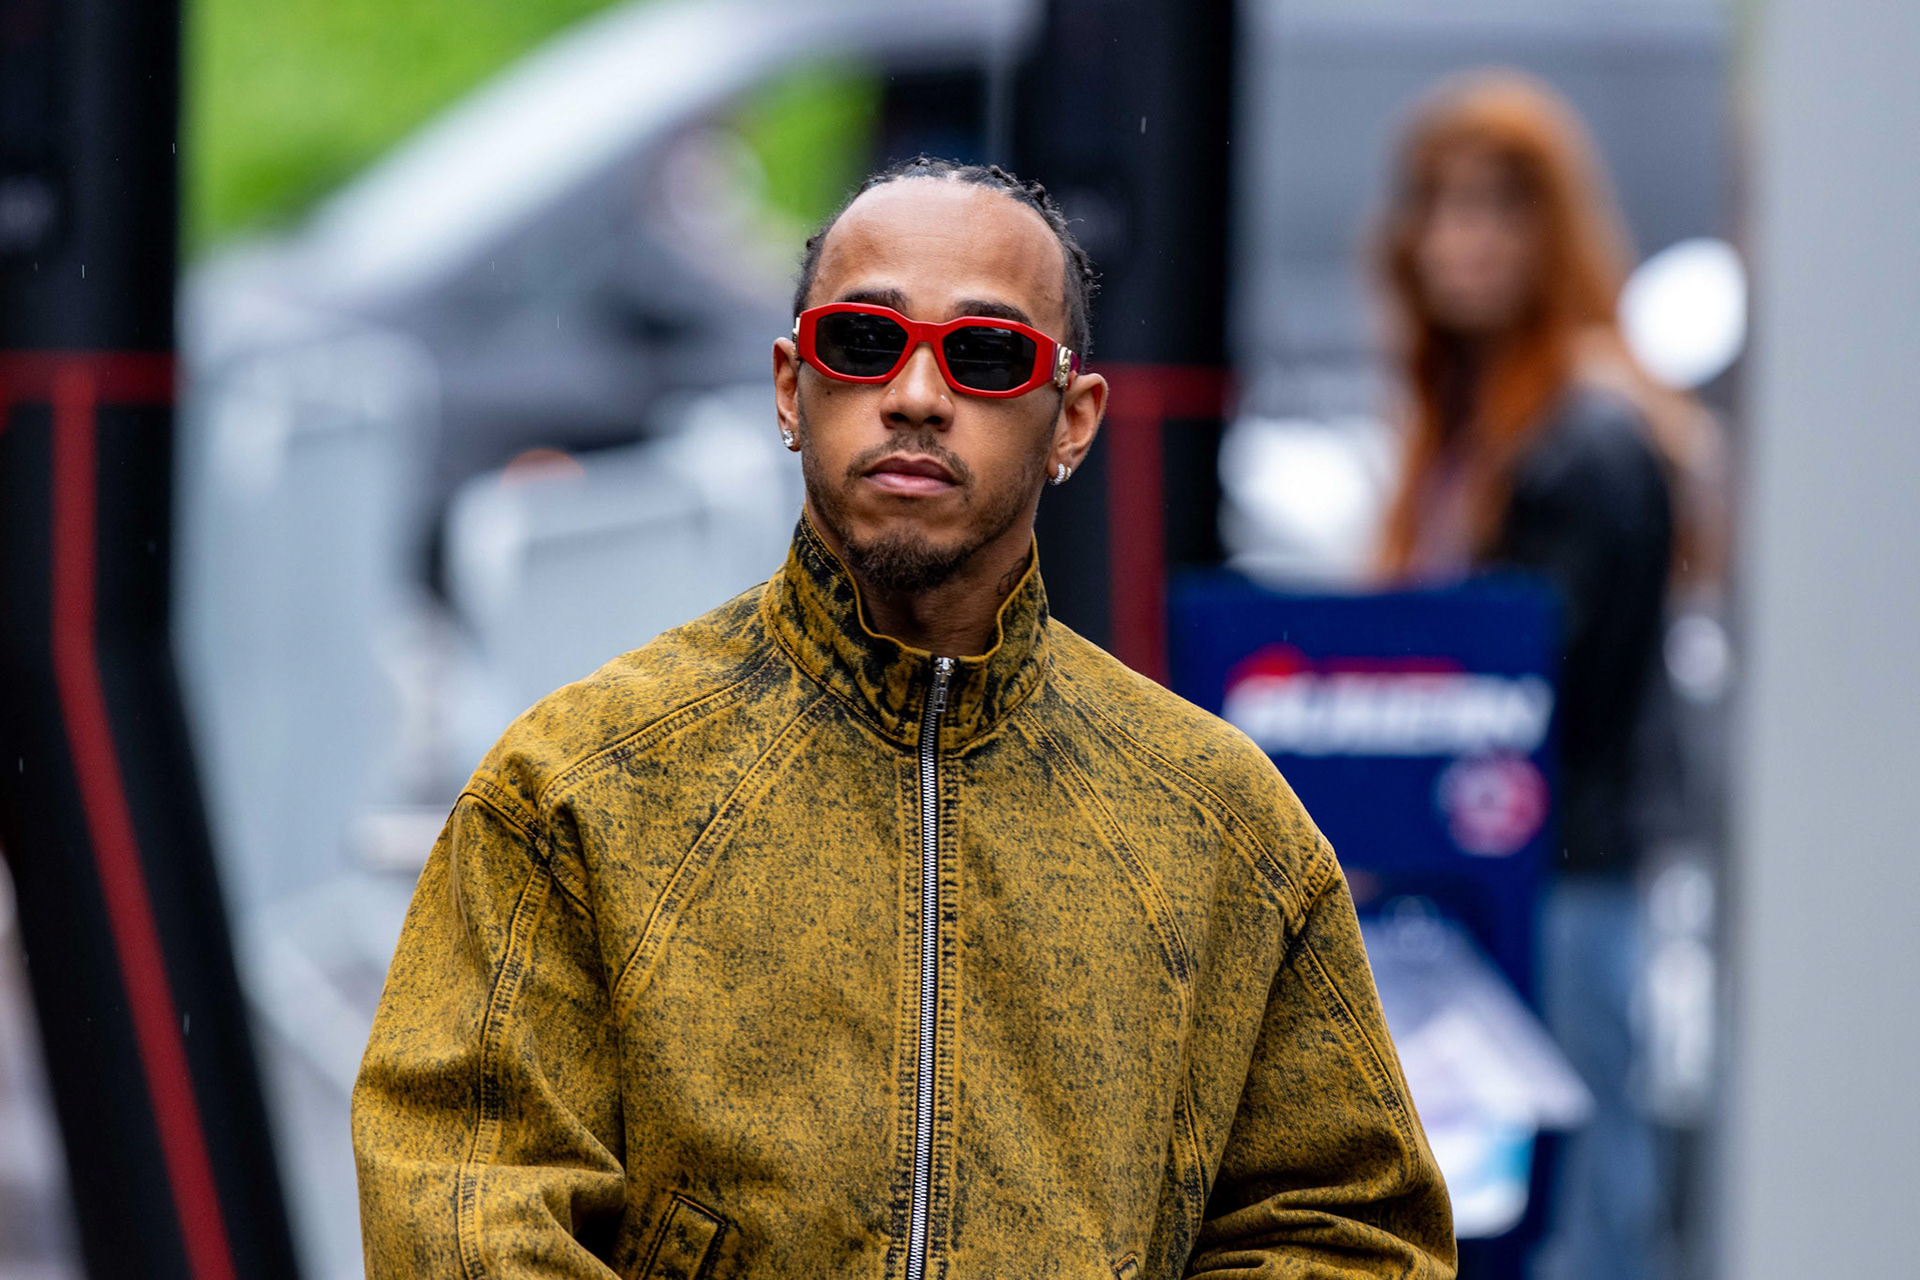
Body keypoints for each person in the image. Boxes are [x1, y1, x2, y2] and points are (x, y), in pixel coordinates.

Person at [353, 158, 1455, 1279]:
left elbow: (1347, 1226)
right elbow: (464, 1203)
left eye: (985, 354)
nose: (917, 394)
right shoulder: (577, 783)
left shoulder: (1221, 823)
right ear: (791, 389)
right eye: (864, 342)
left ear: (1071, 420)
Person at [1373, 73, 1722, 1280]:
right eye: (1441, 207)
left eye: (1496, 211)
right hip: (1494, 869)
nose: (1462, 239)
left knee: (1579, 1199)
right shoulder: (1469, 418)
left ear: (1551, 231)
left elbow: (1531, 680)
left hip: (1560, 871)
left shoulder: (1586, 427)